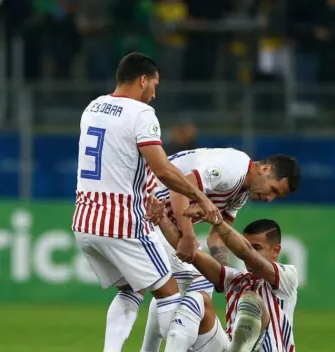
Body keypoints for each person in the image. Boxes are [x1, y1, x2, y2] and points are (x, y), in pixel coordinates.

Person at [72, 52, 220, 352]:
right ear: (143, 80)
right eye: (155, 84)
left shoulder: (93, 107)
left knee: (129, 290)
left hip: (84, 220)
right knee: (169, 293)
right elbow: (163, 169)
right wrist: (201, 197)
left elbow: (118, 160)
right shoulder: (141, 114)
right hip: (122, 221)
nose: (154, 93)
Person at [115, 148, 299, 352]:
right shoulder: (233, 169)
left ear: (277, 251)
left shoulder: (286, 276)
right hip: (142, 206)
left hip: (157, 215)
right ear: (265, 168)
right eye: (273, 190)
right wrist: (187, 234)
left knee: (185, 290)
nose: (269, 198)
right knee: (193, 290)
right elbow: (178, 189)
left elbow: (217, 237)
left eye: (277, 196)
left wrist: (228, 276)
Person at [157, 205, 297, 352]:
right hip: (228, 347)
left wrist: (216, 220)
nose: (251, 252)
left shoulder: (287, 276)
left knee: (251, 300)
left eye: (257, 247)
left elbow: (248, 255)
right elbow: (191, 252)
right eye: (248, 245)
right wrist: (161, 218)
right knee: (198, 298)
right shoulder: (235, 279)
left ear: (276, 251)